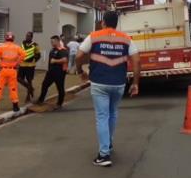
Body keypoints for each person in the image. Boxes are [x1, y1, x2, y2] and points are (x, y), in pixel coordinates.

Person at [76, 11, 140, 167]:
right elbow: (137, 62)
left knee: (102, 116)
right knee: (112, 114)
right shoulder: (126, 39)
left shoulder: (94, 36)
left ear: (103, 22)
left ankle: (104, 155)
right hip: (119, 83)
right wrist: (135, 83)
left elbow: (78, 56)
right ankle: (108, 144)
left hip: (99, 82)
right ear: (116, 23)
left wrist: (80, 71)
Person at [0, 32, 24, 112]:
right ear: (13, 38)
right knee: (13, 88)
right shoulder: (17, 47)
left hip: (3, 70)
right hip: (12, 70)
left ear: (6, 38)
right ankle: (15, 106)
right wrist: (17, 63)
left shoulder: (1, 47)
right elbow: (23, 54)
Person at [36, 35, 69, 109]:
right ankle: (41, 100)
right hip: (51, 72)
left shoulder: (62, 50)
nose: (51, 42)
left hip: (59, 73)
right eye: (51, 41)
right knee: (44, 85)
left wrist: (55, 61)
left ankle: (59, 103)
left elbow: (64, 60)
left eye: (52, 41)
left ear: (57, 41)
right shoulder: (53, 49)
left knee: (60, 88)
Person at [18, 31, 41, 103]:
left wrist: (33, 61)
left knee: (29, 80)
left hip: (30, 66)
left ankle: (28, 96)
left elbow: (38, 55)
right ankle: (30, 88)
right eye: (26, 36)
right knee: (18, 78)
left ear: (31, 37)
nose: (27, 37)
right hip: (22, 65)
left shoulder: (35, 45)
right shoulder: (22, 44)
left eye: (28, 36)